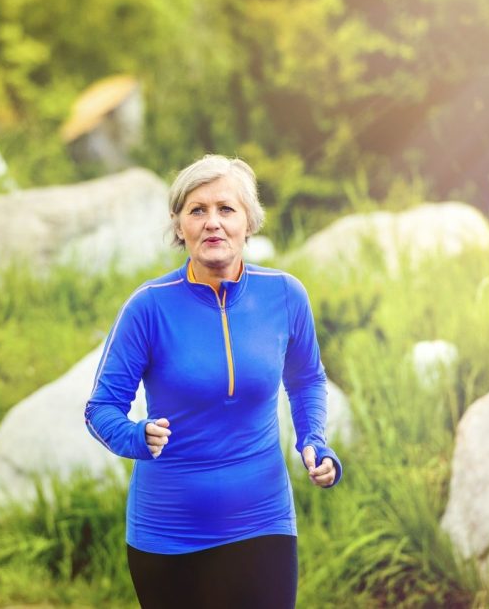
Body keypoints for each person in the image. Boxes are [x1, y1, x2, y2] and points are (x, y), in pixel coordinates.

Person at [83, 154, 342, 609]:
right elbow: (100, 408)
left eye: (226, 209)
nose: (212, 223)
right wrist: (135, 436)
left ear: (249, 221)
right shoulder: (149, 307)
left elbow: (306, 380)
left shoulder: (284, 295)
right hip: (168, 534)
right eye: (197, 210)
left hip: (263, 523)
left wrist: (314, 441)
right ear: (179, 225)